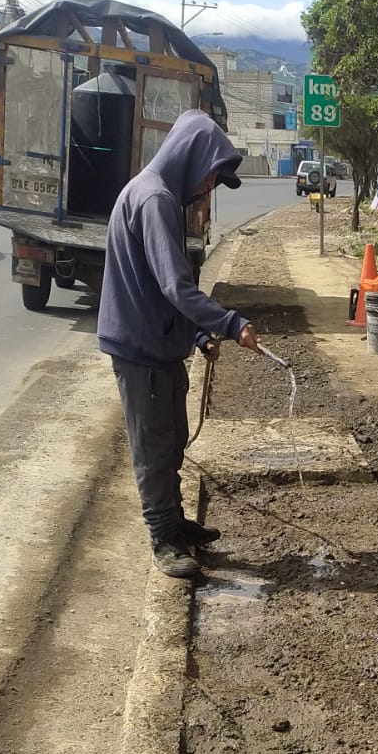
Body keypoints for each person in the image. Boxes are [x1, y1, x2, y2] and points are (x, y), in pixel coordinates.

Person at [97, 108, 260, 578]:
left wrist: (200, 332)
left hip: (158, 341)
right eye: (211, 176)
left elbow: (161, 288)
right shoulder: (154, 200)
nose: (209, 187)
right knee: (153, 445)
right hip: (139, 348)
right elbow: (174, 286)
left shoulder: (161, 197)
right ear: (191, 158)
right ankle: (163, 539)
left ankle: (175, 522)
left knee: (171, 441)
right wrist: (229, 323)